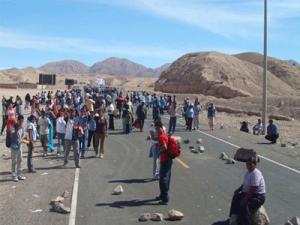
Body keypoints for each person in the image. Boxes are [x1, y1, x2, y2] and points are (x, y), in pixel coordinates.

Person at [229, 157, 266, 225]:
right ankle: (234, 216)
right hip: (249, 193)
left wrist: (245, 199)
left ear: (255, 165)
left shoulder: (255, 174)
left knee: (244, 205)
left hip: (258, 196)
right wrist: (238, 190)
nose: (248, 166)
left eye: (250, 164)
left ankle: (246, 222)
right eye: (247, 164)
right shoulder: (248, 173)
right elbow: (244, 184)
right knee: (236, 197)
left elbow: (253, 188)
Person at [155, 121, 172, 205]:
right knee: (167, 177)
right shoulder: (164, 134)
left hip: (165, 159)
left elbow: (164, 147)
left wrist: (159, 149)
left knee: (163, 179)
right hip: (168, 159)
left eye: (157, 128)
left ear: (160, 128)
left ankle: (165, 198)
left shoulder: (161, 136)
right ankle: (162, 195)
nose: (156, 130)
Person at [10, 115, 26, 182]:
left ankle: (19, 174)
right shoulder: (14, 126)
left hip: (20, 146)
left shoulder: (22, 128)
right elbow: (12, 135)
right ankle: (14, 175)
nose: (21, 122)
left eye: (22, 121)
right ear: (18, 120)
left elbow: (22, 136)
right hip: (14, 147)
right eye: (20, 121)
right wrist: (17, 128)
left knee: (20, 160)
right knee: (14, 162)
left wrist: (23, 140)